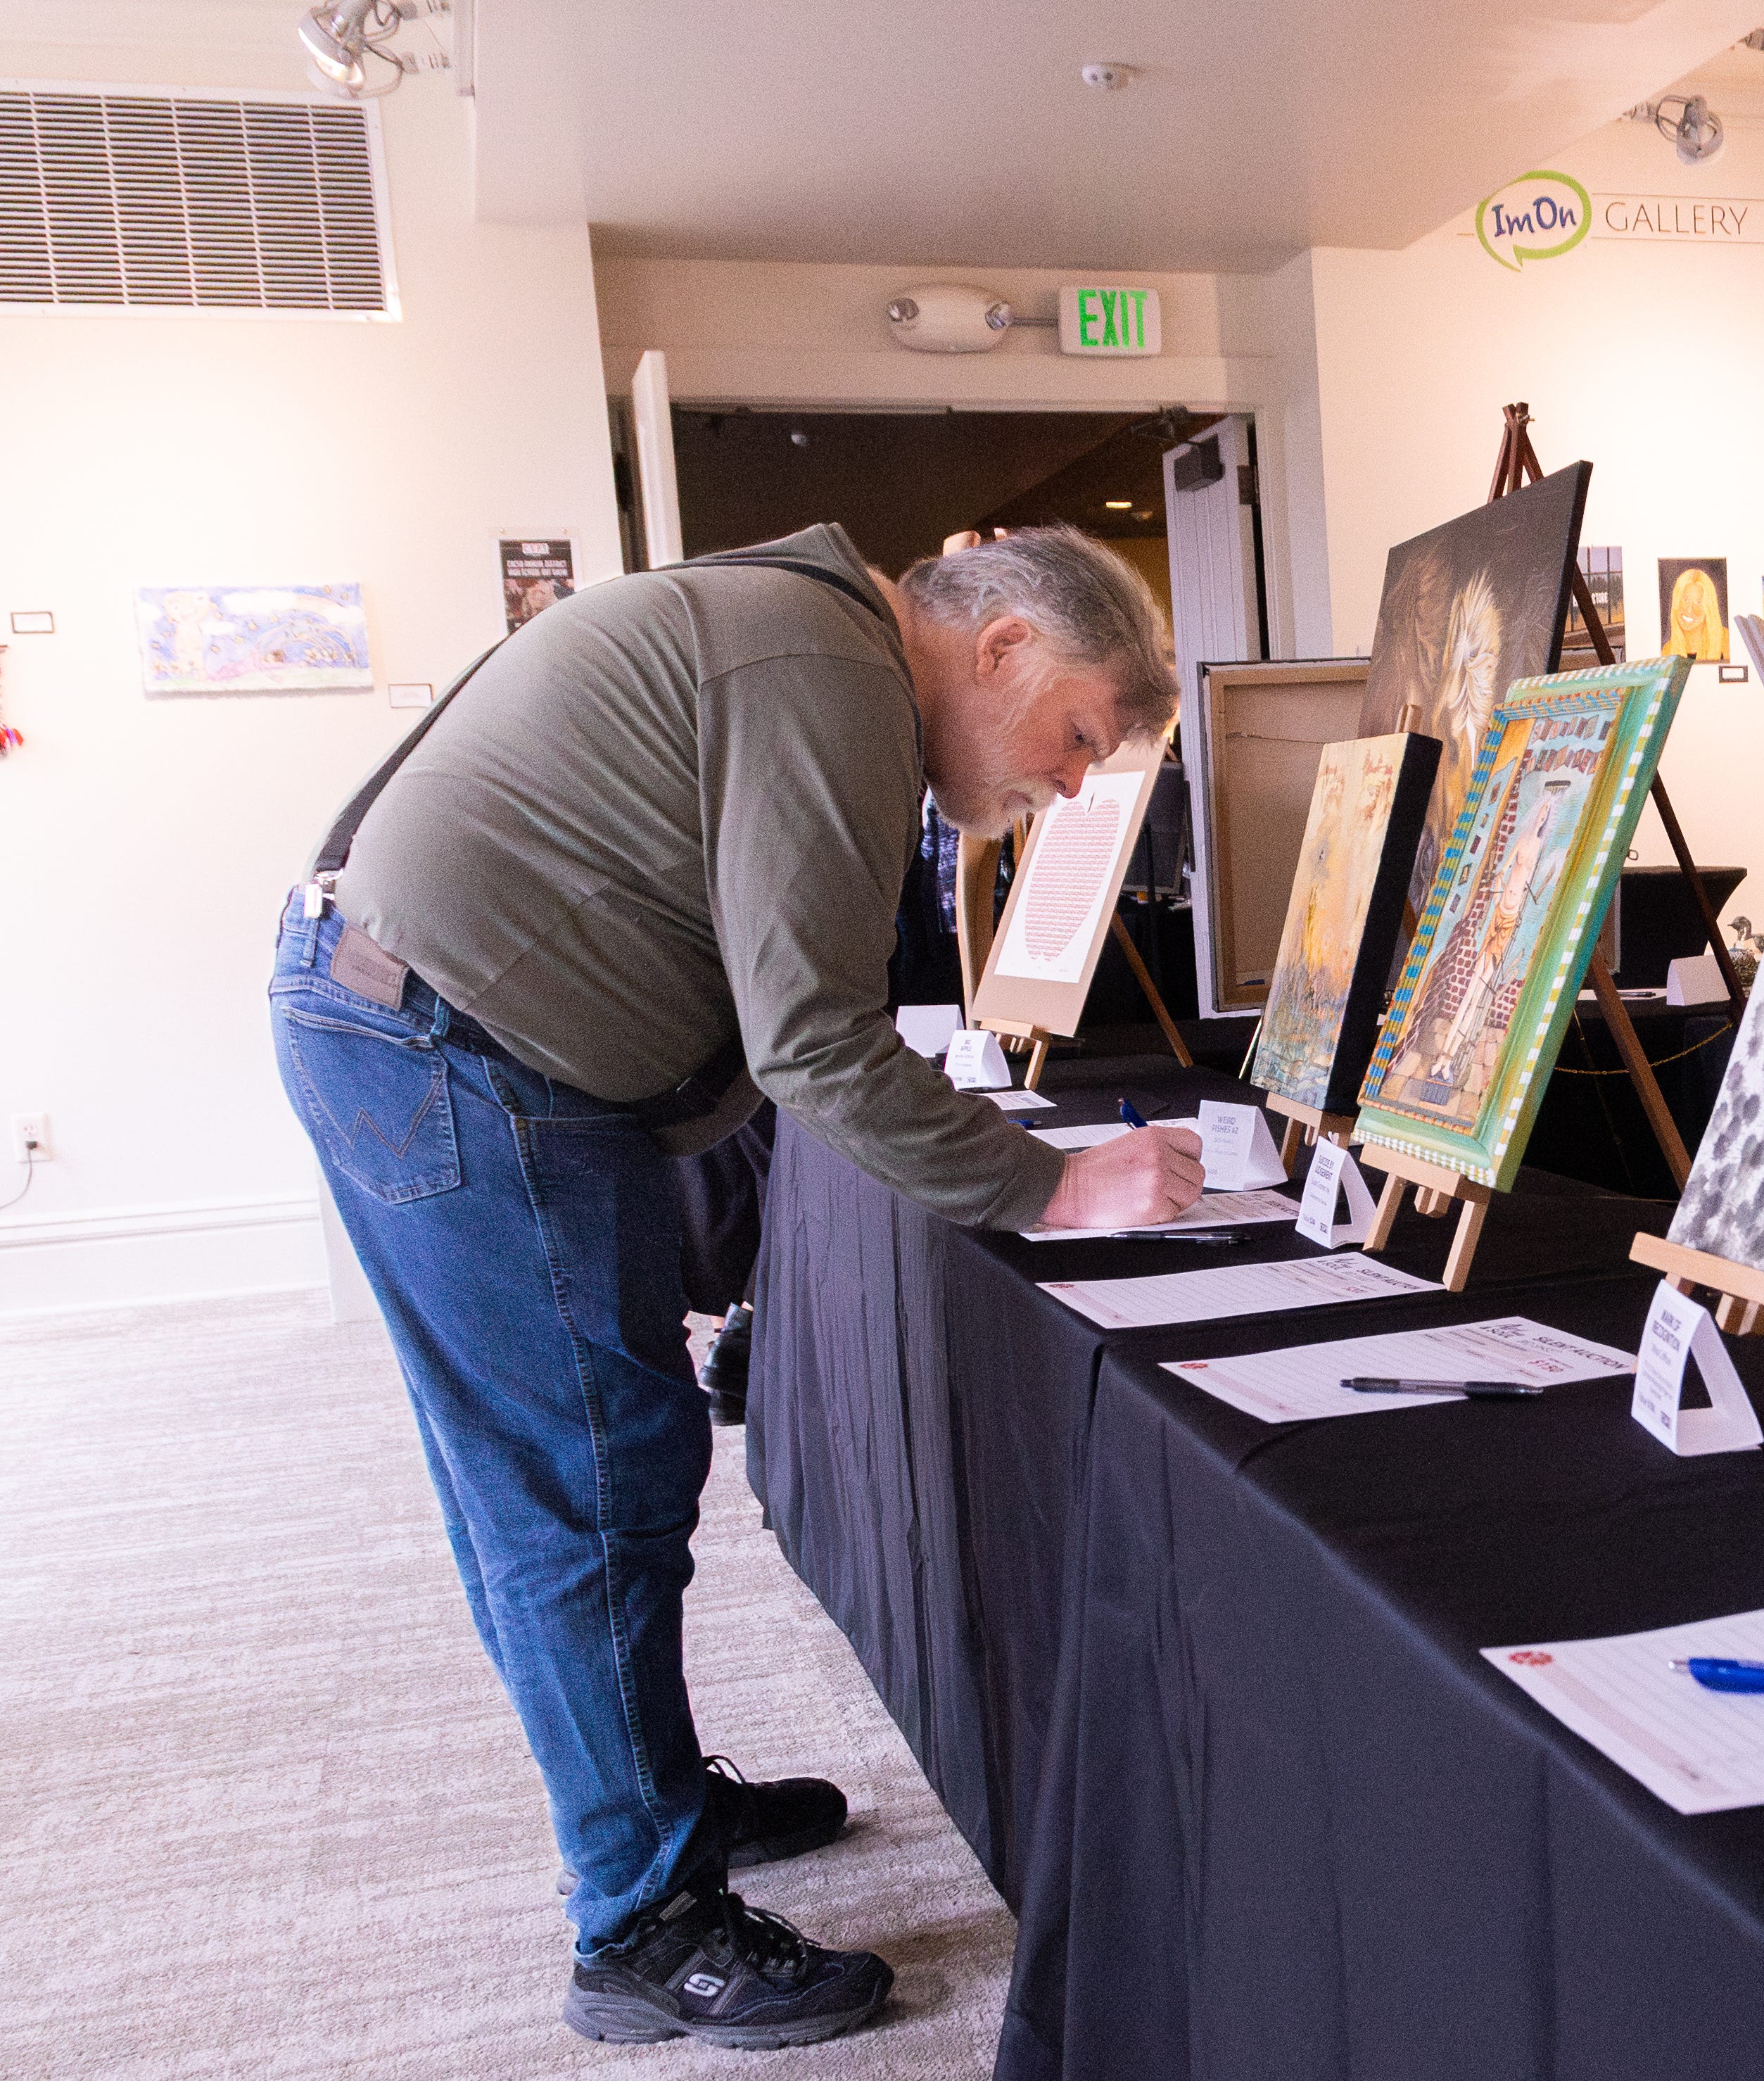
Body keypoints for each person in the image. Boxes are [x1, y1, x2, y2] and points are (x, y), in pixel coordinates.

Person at [269, 523, 1203, 2049]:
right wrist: (1056, 1184)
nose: (1079, 781)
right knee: (584, 1490)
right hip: (453, 1044)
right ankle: (641, 1923)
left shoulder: (800, 627)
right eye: (1082, 733)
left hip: (416, 1022)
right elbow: (815, 1042)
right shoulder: (831, 667)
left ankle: (648, 1806)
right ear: (1002, 647)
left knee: (566, 1477)